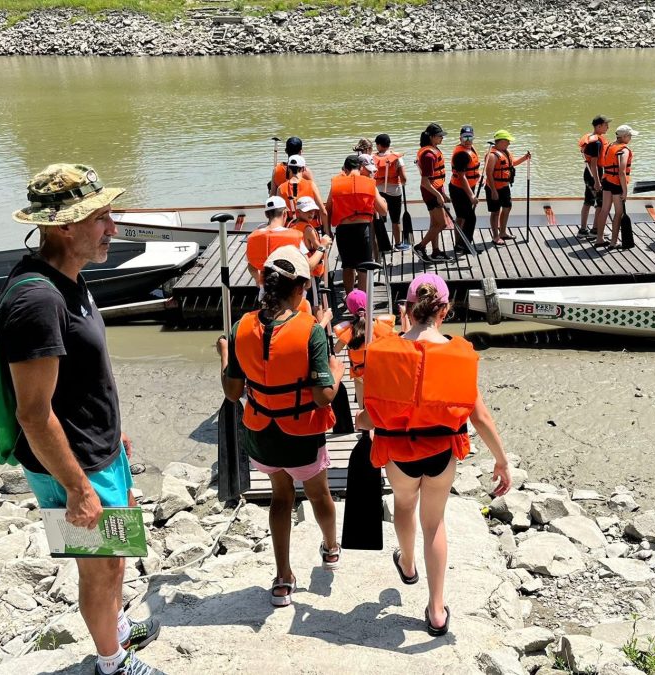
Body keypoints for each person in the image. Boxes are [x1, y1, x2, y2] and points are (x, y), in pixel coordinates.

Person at [3, 164, 163, 675]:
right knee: (102, 566)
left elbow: (80, 377)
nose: (112, 228)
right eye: (101, 218)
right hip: (72, 466)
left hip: (99, 451)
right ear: (65, 227)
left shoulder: (69, 280)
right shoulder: (37, 299)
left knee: (116, 553)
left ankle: (112, 628)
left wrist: (113, 435)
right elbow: (32, 413)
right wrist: (77, 488)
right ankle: (111, 663)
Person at [357, 273, 512, 637]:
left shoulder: (380, 351)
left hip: (398, 453)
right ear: (444, 310)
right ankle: (437, 610)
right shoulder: (459, 352)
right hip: (442, 452)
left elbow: (368, 416)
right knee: (434, 524)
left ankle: (407, 565)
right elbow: (480, 416)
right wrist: (501, 460)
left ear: (407, 310)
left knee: (404, 506)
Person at [216, 246, 344, 608]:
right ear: (302, 288)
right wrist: (336, 372)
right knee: (319, 494)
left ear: (264, 283)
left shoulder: (241, 327)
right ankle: (331, 549)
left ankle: (282, 577)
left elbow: (232, 392)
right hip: (301, 434)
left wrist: (225, 354)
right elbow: (323, 397)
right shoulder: (310, 331)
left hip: (261, 435)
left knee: (280, 496)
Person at [327, 154, 388, 295]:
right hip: (363, 229)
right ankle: (362, 302)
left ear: (345, 169)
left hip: (343, 229)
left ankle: (350, 297)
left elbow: (328, 209)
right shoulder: (369, 183)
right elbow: (383, 211)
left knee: (347, 266)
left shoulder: (336, 183)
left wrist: (327, 230)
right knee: (364, 267)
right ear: (361, 168)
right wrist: (383, 201)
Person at [333, 289, 396, 403]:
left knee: (363, 408)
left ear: (350, 310)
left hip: (359, 375)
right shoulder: (380, 326)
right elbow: (396, 342)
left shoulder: (349, 331)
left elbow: (336, 350)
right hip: (379, 373)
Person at [246, 196, 306, 286]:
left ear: (266, 214)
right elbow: (307, 265)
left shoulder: (252, 237)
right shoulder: (295, 236)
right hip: (289, 288)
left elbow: (251, 265)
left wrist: (258, 280)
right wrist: (321, 248)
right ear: (285, 213)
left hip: (266, 288)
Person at [594, 124, 637, 251]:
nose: (631, 138)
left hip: (607, 181)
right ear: (623, 136)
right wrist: (625, 190)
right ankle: (613, 241)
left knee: (604, 210)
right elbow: (622, 172)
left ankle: (599, 239)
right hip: (617, 184)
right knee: (618, 213)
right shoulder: (624, 150)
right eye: (629, 136)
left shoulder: (609, 146)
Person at [485, 130, 530, 245]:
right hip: (493, 188)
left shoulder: (506, 152)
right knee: (495, 212)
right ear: (501, 141)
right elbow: (488, 173)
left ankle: (503, 232)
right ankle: (495, 236)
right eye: (507, 141)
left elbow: (512, 164)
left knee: (507, 208)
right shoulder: (492, 155)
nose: (509, 143)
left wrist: (524, 158)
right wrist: (493, 191)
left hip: (505, 187)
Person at [414, 123, 450, 264]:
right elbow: (425, 182)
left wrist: (443, 193)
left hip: (435, 191)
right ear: (432, 137)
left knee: (435, 223)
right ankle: (420, 247)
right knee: (442, 224)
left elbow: (436, 179)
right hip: (430, 193)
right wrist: (438, 195)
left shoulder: (434, 150)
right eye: (440, 136)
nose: (442, 138)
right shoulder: (428, 155)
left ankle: (436, 252)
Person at [373, 133, 410, 251]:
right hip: (394, 191)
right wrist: (403, 182)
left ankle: (380, 243)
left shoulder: (373, 159)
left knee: (379, 219)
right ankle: (398, 244)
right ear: (389, 145)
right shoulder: (397, 158)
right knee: (396, 219)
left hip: (378, 192)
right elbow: (404, 178)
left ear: (378, 145)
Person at [449, 125, 481, 255]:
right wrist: (472, 196)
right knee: (469, 218)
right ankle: (465, 245)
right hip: (459, 190)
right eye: (465, 137)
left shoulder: (470, 149)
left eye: (470, 137)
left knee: (463, 217)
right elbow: (462, 177)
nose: (468, 140)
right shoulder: (461, 153)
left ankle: (460, 245)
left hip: (467, 188)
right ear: (460, 138)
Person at [578, 115, 611, 239]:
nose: (608, 127)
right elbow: (593, 163)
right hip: (594, 174)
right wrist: (597, 182)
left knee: (588, 201)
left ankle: (582, 230)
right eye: (606, 125)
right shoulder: (596, 142)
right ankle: (595, 230)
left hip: (588, 174)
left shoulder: (592, 139)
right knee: (601, 204)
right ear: (598, 126)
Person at [287, 196, 333, 285]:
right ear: (299, 212)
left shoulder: (291, 225)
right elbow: (318, 247)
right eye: (307, 211)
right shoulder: (308, 229)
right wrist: (325, 243)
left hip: (297, 266)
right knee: (315, 296)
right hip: (312, 269)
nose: (311, 214)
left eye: (313, 211)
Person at [278, 155, 327, 226]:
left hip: (290, 229)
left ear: (288, 169)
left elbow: (278, 215)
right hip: (310, 229)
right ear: (303, 169)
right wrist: (327, 231)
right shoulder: (311, 185)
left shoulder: (281, 188)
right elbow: (323, 212)